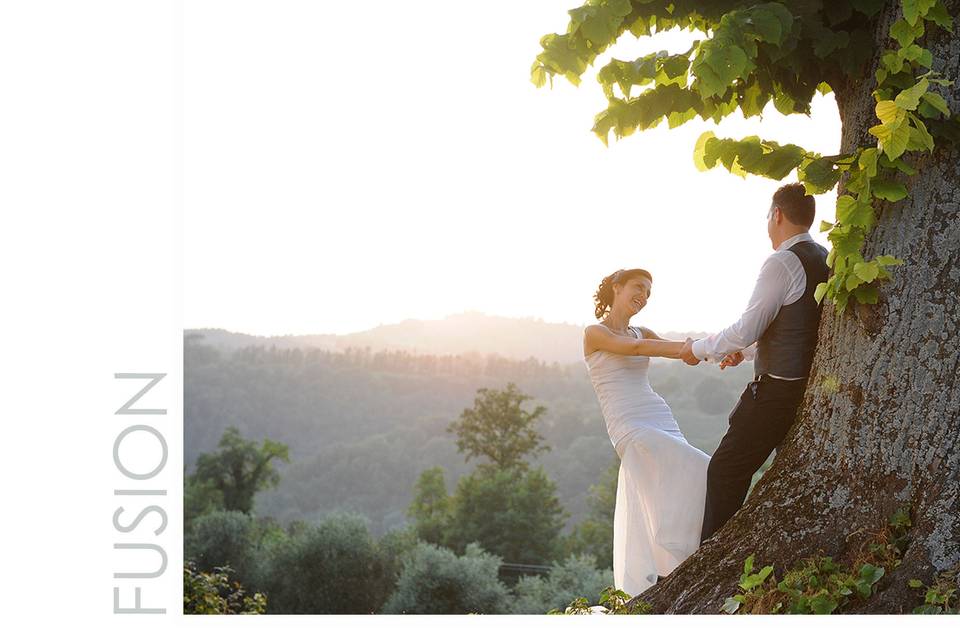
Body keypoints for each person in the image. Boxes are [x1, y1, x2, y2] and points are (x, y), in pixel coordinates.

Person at [678, 182, 830, 543]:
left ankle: (710, 557)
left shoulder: (781, 262)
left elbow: (748, 326)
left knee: (726, 469)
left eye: (767, 216)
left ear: (776, 215)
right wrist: (745, 353)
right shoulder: (823, 256)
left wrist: (698, 349)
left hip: (777, 391)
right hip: (806, 388)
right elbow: (799, 323)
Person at [582, 267, 709, 596]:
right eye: (638, 287)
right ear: (616, 286)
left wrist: (717, 351)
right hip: (628, 423)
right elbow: (637, 350)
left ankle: (679, 561)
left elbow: (678, 353)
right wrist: (691, 347)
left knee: (672, 486)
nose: (643, 296)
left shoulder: (643, 330)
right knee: (698, 464)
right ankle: (673, 559)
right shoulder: (594, 333)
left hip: (658, 415)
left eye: (648, 293)